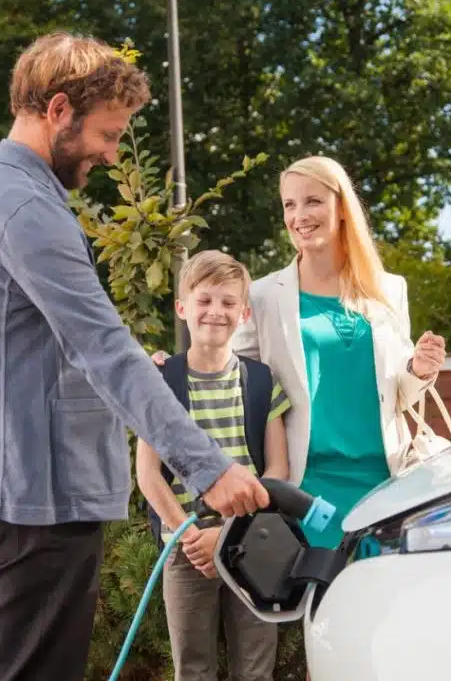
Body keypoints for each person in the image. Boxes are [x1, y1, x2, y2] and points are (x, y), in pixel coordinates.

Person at [0, 32, 269, 681]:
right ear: (57, 110)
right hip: (35, 497)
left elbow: (7, 347)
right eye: (108, 134)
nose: (112, 153)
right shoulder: (29, 210)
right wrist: (206, 466)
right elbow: (103, 350)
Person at [156, 155, 447, 550]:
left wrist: (419, 370)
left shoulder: (389, 290)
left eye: (312, 201)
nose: (299, 215)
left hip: (386, 482)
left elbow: (399, 392)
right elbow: (227, 373)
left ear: (341, 208)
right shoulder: (262, 297)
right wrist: (171, 369)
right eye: (289, 205)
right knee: (312, 606)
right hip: (305, 489)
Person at [136, 249, 291, 681]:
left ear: (243, 314)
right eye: (204, 301)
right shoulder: (161, 381)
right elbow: (148, 475)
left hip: (250, 542)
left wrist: (227, 532)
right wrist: (188, 534)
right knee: (193, 668)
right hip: (187, 548)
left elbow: (277, 470)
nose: (215, 312)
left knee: (256, 668)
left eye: (227, 303)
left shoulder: (261, 381)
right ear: (183, 308)